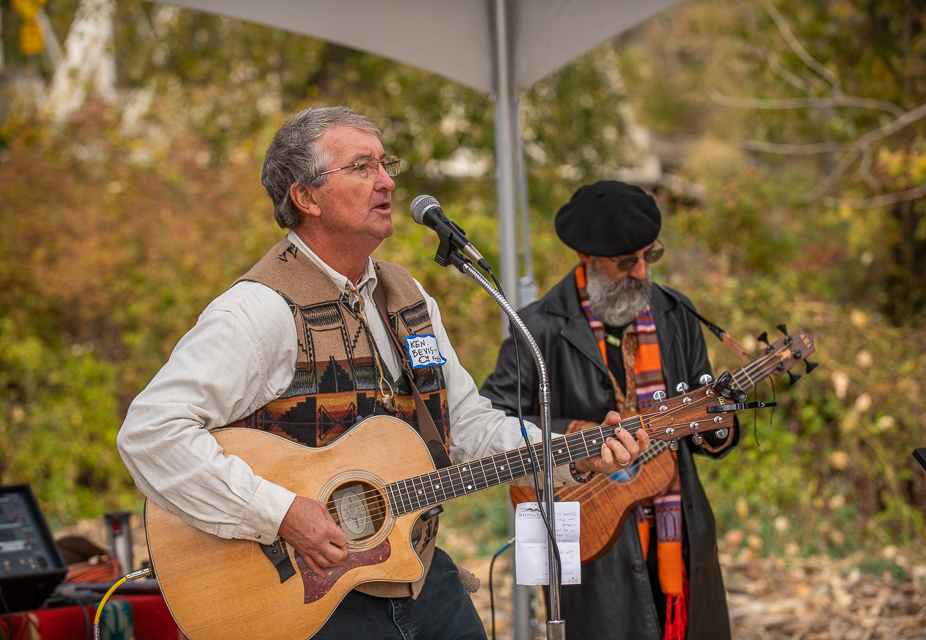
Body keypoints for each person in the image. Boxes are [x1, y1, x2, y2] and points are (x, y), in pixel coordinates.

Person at [117, 108, 648, 640]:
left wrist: (572, 454)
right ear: (306, 197)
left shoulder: (408, 299)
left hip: (415, 576)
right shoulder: (259, 311)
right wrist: (281, 514)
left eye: (384, 163)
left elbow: (466, 426)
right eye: (361, 167)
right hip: (309, 600)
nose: (388, 181)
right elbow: (151, 431)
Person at [480, 180, 739, 640]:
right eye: (625, 262)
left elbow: (704, 426)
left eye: (648, 255)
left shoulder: (677, 314)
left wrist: (719, 425)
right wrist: (579, 439)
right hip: (589, 527)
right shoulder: (538, 327)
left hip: (678, 525)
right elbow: (495, 420)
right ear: (587, 257)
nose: (641, 271)